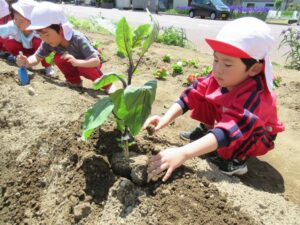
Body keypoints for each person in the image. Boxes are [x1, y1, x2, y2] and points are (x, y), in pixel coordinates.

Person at [144, 17, 285, 182]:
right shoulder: (223, 77)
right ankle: (208, 130)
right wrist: (165, 118)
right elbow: (193, 93)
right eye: (216, 60)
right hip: (233, 119)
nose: (217, 69)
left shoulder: (255, 96)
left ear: (254, 69)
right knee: (206, 96)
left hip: (257, 133)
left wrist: (183, 153)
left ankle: (236, 161)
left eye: (227, 64)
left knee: (233, 139)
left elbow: (231, 130)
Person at [16, 2, 114, 92]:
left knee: (83, 68)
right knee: (59, 58)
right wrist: (26, 61)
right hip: (74, 62)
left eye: (46, 34)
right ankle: (75, 82)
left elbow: (95, 61)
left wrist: (77, 62)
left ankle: (107, 85)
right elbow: (36, 58)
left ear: (61, 29)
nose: (44, 39)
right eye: (40, 35)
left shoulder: (77, 39)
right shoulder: (48, 42)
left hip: (89, 61)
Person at [0, 0, 54, 75]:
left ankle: (48, 66)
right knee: (10, 42)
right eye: (15, 19)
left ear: (32, 20)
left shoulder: (39, 30)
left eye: (21, 20)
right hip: (24, 51)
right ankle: (24, 61)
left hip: (38, 53)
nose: (18, 22)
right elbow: (1, 30)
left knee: (41, 44)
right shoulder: (14, 26)